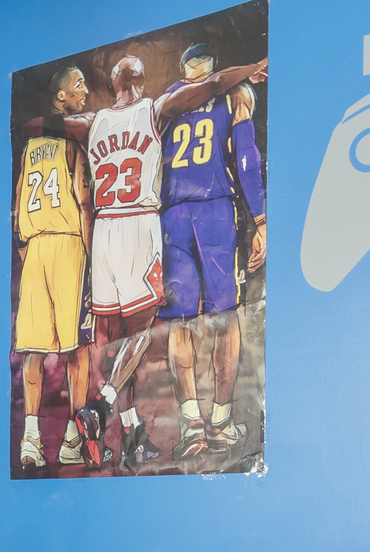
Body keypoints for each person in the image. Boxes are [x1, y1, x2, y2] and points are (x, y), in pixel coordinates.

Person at [27, 47, 268, 466]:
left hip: (116, 227)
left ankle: (155, 427)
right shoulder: (160, 108)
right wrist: (251, 68)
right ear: (139, 82)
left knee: (118, 337)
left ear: (111, 84)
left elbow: (47, 126)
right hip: (152, 221)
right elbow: (220, 100)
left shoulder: (93, 122)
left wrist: (24, 125)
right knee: (165, 327)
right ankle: (119, 407)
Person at [155, 41, 255, 457]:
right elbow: (247, 159)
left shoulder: (165, 103)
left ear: (184, 68)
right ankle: (220, 421)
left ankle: (191, 424)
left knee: (179, 323)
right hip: (215, 209)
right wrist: (261, 220)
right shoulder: (233, 93)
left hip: (172, 215)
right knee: (225, 318)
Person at [12, 66, 96, 472]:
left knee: (34, 350)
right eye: (78, 86)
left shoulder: (30, 148)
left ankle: (30, 440)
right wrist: (92, 260)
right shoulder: (71, 143)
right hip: (67, 245)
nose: (86, 91)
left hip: (35, 247)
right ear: (61, 97)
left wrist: (25, 249)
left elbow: (17, 206)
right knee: (77, 350)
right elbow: (83, 201)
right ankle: (71, 442)